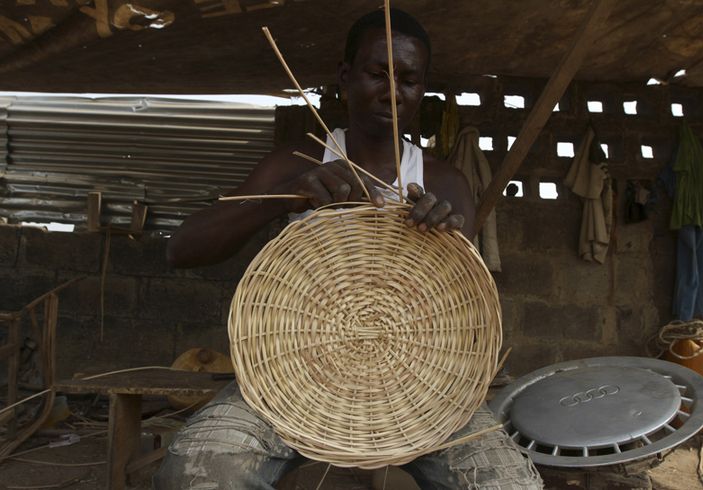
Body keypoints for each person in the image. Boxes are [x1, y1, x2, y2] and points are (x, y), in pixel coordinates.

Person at [155, 8, 542, 489]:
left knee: (507, 484)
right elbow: (181, 249)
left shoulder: (444, 182)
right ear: (344, 76)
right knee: (198, 471)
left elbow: (467, 314)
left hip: (421, 392)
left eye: (409, 80)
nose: (393, 92)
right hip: (290, 380)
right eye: (377, 74)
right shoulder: (298, 162)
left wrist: (445, 238)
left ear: (423, 89)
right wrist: (287, 197)